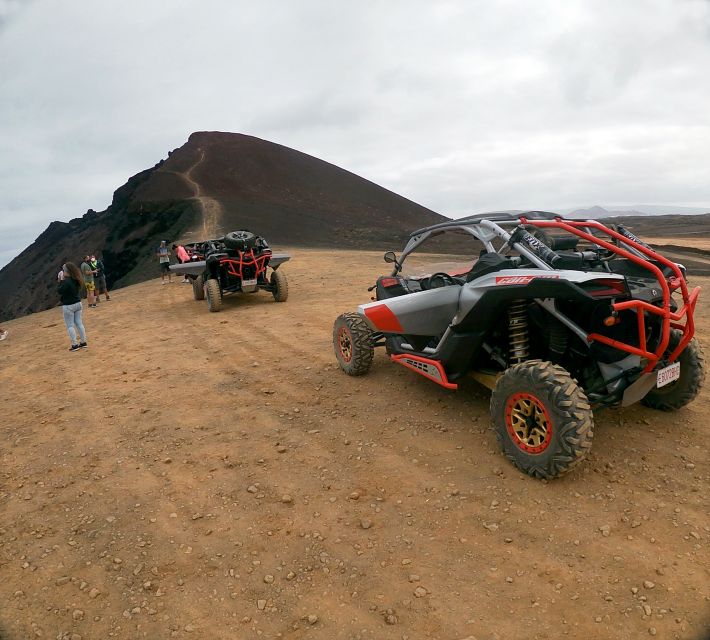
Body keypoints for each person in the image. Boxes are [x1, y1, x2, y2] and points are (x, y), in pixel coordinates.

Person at [58, 262, 88, 351]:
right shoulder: (76, 279)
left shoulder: (66, 281)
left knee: (70, 326)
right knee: (79, 323)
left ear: (66, 271)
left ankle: (74, 344)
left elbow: (60, 291)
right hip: (78, 303)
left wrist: (61, 280)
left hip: (68, 305)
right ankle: (83, 342)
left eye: (63, 270)